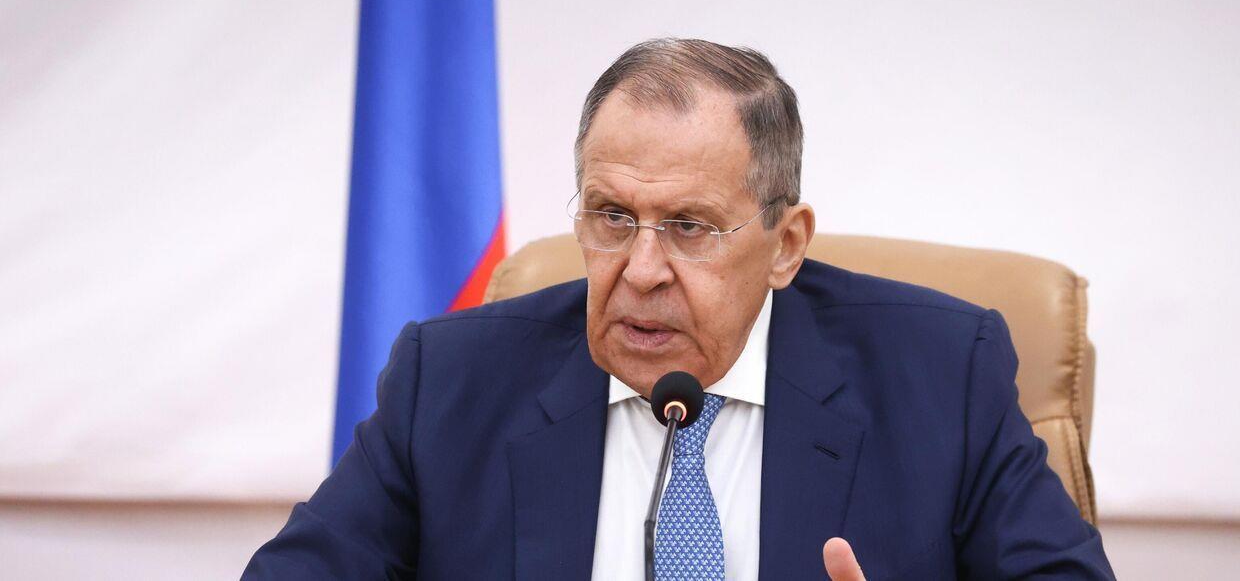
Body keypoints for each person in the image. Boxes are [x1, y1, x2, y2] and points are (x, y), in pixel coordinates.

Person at [244, 38, 1114, 579]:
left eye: (690, 227)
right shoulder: (451, 380)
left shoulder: (941, 376)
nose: (642, 270)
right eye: (611, 217)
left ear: (786, 244)